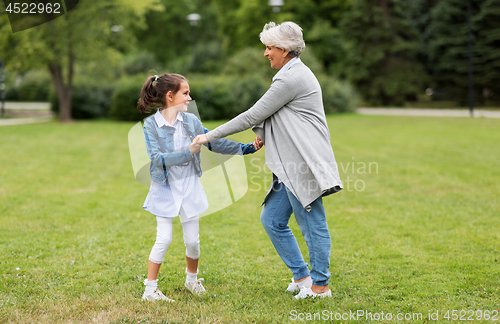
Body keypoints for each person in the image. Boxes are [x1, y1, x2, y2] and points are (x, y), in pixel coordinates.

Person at [194, 22, 343, 299]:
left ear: (284, 50)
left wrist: (207, 137)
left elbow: (253, 114)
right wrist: (264, 135)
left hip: (302, 161)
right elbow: (280, 115)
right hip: (289, 162)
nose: (265, 53)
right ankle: (302, 277)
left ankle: (320, 287)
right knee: (272, 219)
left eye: (269, 47)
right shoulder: (291, 73)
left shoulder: (291, 77)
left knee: (312, 223)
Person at [137, 73, 262, 302]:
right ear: (170, 96)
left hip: (189, 186)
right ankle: (150, 290)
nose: (189, 98)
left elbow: (214, 141)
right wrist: (189, 152)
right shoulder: (151, 125)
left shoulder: (191, 121)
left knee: (193, 241)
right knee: (163, 238)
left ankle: (191, 281)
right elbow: (156, 159)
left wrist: (248, 148)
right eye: (185, 93)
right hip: (164, 188)